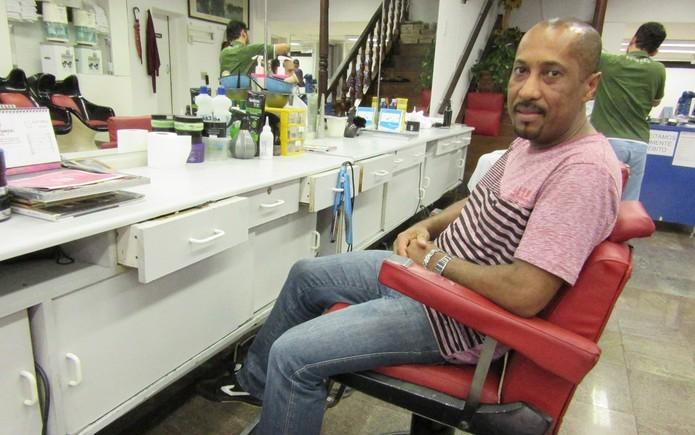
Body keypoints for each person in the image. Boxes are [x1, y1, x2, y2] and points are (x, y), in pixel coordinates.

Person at [198, 18, 622, 435]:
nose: (528, 90)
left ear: (590, 85)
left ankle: (282, 388)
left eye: (552, 74)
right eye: (521, 71)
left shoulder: (581, 172)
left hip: (456, 320)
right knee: (306, 274)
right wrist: (429, 226)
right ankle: (257, 384)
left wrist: (434, 260)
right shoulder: (533, 142)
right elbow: (479, 200)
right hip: (428, 281)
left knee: (293, 356)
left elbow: (525, 293)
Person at [591, 22, 667, 200]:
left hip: (608, 140)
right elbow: (656, 101)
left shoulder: (608, 62)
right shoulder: (658, 70)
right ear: (655, 51)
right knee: (628, 202)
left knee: (599, 199)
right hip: (639, 143)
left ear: (633, 39)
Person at [219, 20, 289, 76]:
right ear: (243, 33)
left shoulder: (223, 53)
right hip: (243, 90)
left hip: (225, 89)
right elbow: (285, 47)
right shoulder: (248, 50)